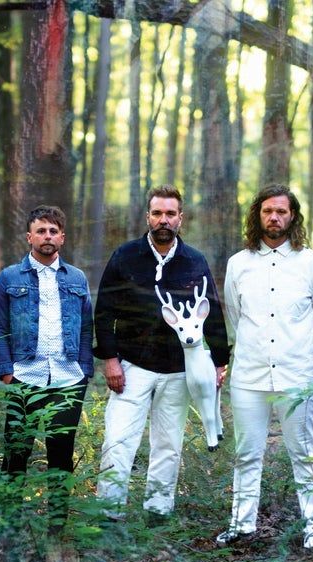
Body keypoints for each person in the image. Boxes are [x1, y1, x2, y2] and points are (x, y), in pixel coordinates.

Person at [94, 184, 230, 518]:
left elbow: (212, 312)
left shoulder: (194, 261)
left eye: (170, 214)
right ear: (148, 217)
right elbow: (104, 311)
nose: (163, 220)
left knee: (168, 445)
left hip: (177, 370)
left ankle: (158, 512)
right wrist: (110, 359)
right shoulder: (126, 256)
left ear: (181, 218)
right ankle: (108, 515)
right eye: (157, 213)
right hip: (132, 367)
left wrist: (219, 362)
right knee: (118, 440)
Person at [216, 184, 313, 550]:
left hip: (297, 375)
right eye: (268, 211)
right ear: (258, 215)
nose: (274, 217)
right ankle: (241, 525)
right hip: (249, 375)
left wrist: (292, 345)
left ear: (293, 216)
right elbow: (235, 315)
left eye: (281, 211)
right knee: (247, 453)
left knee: (304, 451)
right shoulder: (238, 264)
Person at [0, 205, 93, 533]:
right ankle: (10, 523)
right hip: (25, 377)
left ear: (62, 237)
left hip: (68, 379)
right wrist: (6, 371)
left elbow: (87, 327)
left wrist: (85, 370)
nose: (47, 237)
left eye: (53, 231)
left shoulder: (76, 278)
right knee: (16, 452)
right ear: (29, 237)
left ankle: (57, 525)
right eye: (41, 231)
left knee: (61, 454)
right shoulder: (9, 278)